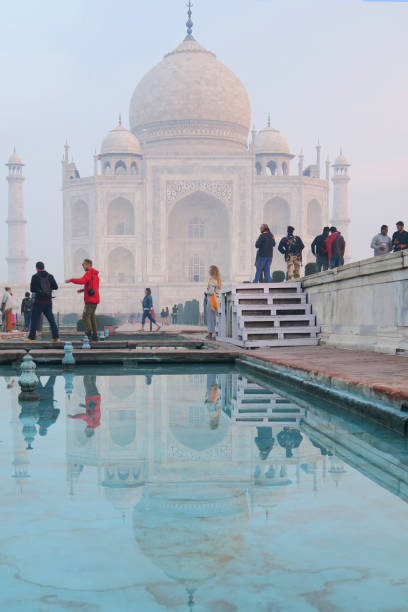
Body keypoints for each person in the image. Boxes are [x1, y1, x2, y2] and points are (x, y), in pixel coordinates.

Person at [66, 259, 100, 341]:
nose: (83, 267)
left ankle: (89, 334)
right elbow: (92, 287)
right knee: (92, 317)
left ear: (88, 265)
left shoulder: (88, 273)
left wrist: (71, 280)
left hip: (90, 299)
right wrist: (82, 290)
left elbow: (82, 281)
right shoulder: (95, 275)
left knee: (85, 316)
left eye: (84, 265)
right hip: (95, 298)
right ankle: (95, 335)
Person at [28, 262, 60, 342]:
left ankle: (31, 338)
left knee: (34, 320)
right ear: (43, 267)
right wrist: (48, 289)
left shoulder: (35, 277)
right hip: (48, 302)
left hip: (38, 302)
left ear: (37, 268)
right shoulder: (50, 276)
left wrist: (39, 290)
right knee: (51, 320)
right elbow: (56, 287)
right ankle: (56, 337)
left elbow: (32, 289)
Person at [205, 265, 222, 340]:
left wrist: (205, 292)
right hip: (217, 301)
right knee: (216, 318)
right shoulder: (218, 280)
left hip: (211, 301)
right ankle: (216, 334)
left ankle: (210, 334)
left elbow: (211, 292)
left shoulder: (212, 280)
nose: (208, 271)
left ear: (212, 271)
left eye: (210, 270)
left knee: (210, 318)